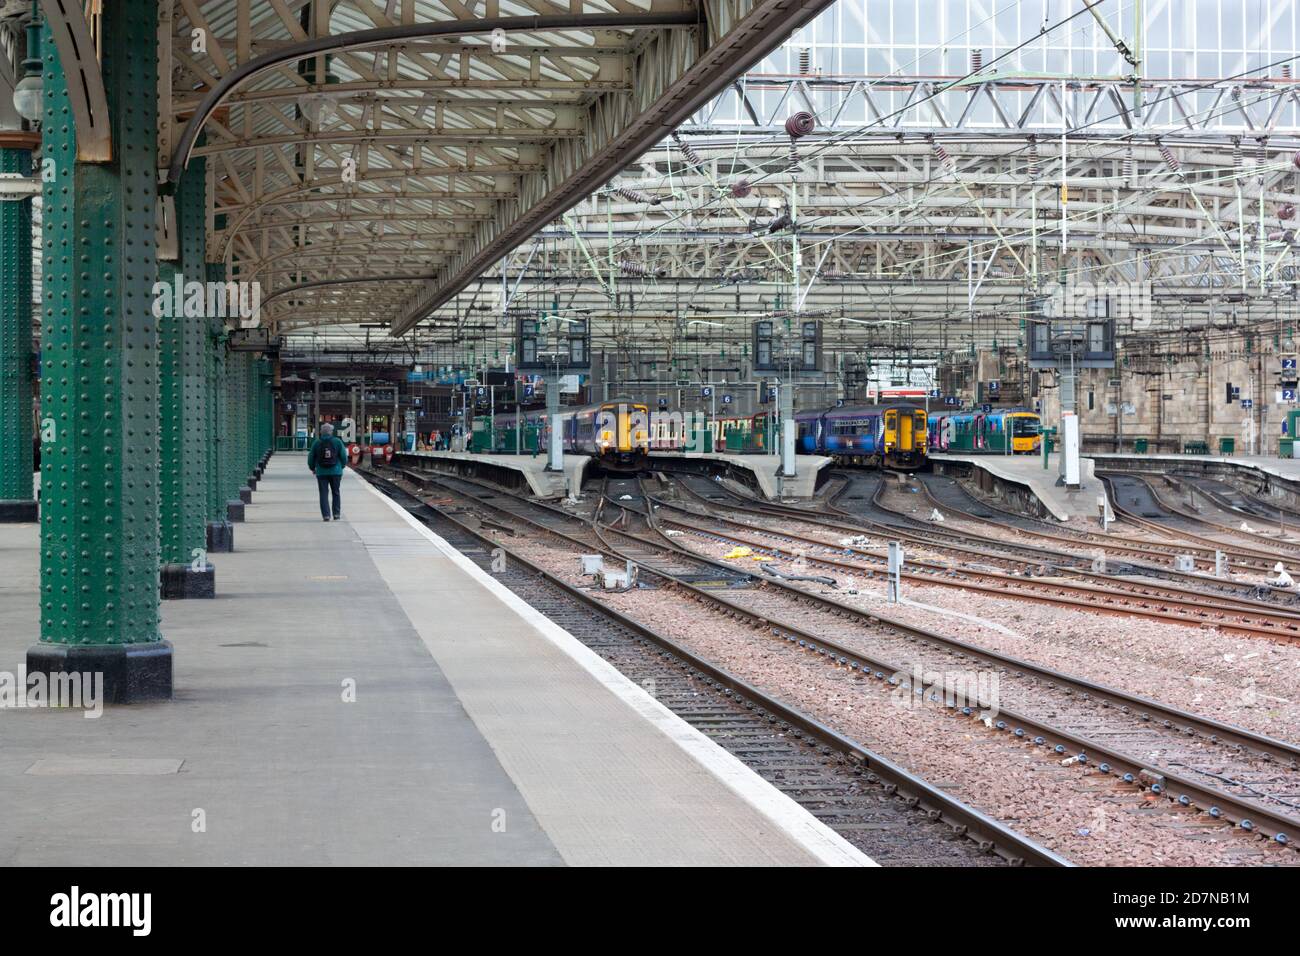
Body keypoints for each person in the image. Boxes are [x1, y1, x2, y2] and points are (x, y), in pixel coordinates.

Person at [308, 422, 346, 521]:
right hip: (336, 472)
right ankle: (336, 514)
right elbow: (344, 457)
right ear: (331, 432)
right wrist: (341, 466)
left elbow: (311, 457)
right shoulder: (337, 442)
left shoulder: (317, 442)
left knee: (323, 493)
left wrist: (312, 468)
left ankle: (326, 515)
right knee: (336, 492)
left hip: (321, 472)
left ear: (321, 432)